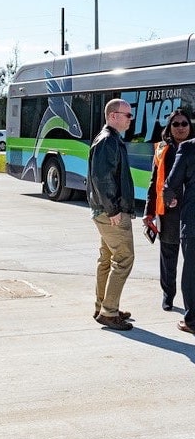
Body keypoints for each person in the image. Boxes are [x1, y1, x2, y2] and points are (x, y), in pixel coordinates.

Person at [86, 99, 135, 331]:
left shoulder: (109, 139)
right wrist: (114, 210)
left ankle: (103, 306)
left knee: (107, 260)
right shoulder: (108, 141)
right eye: (128, 115)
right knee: (124, 259)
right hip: (111, 213)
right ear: (114, 116)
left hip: (103, 211)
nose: (130, 119)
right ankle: (108, 312)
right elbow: (102, 178)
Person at [143, 109, 192, 311]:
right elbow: (154, 182)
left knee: (191, 259)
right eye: (176, 124)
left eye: (184, 123)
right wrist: (149, 211)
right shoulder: (162, 149)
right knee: (168, 256)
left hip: (191, 211)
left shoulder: (193, 148)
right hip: (169, 213)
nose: (180, 127)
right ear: (169, 128)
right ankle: (168, 294)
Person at [163, 128, 195, 334]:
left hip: (192, 221)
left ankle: (191, 321)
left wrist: (171, 199)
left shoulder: (188, 148)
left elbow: (171, 184)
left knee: (192, 272)